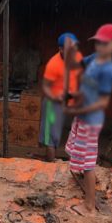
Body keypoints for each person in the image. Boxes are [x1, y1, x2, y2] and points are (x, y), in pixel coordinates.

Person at [63, 24, 112, 216]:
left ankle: (89, 206)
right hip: (82, 115)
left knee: (88, 163)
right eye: (97, 43)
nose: (100, 47)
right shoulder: (95, 59)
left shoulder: (107, 70)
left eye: (104, 44)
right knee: (73, 149)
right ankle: (83, 180)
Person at [38, 33, 83, 162]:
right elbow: (45, 86)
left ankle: (75, 163)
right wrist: (55, 96)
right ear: (61, 49)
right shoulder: (53, 64)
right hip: (54, 102)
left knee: (77, 132)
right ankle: (51, 163)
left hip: (72, 100)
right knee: (52, 136)